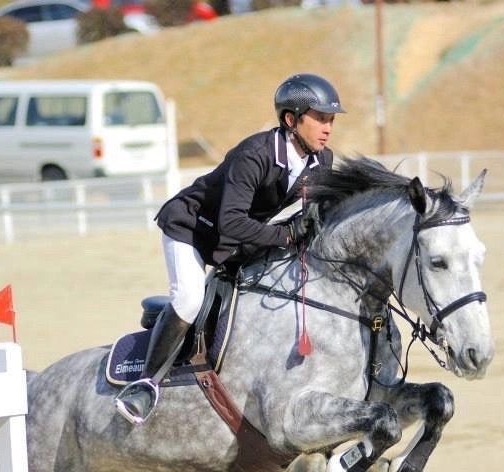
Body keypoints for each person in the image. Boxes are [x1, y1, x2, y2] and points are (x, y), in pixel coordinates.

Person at [115, 72, 346, 425]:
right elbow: (232, 223)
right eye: (320, 118)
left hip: (234, 240)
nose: (327, 128)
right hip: (192, 228)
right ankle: (146, 385)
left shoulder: (321, 161)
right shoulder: (254, 154)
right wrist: (285, 236)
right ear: (290, 119)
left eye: (330, 120)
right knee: (189, 299)